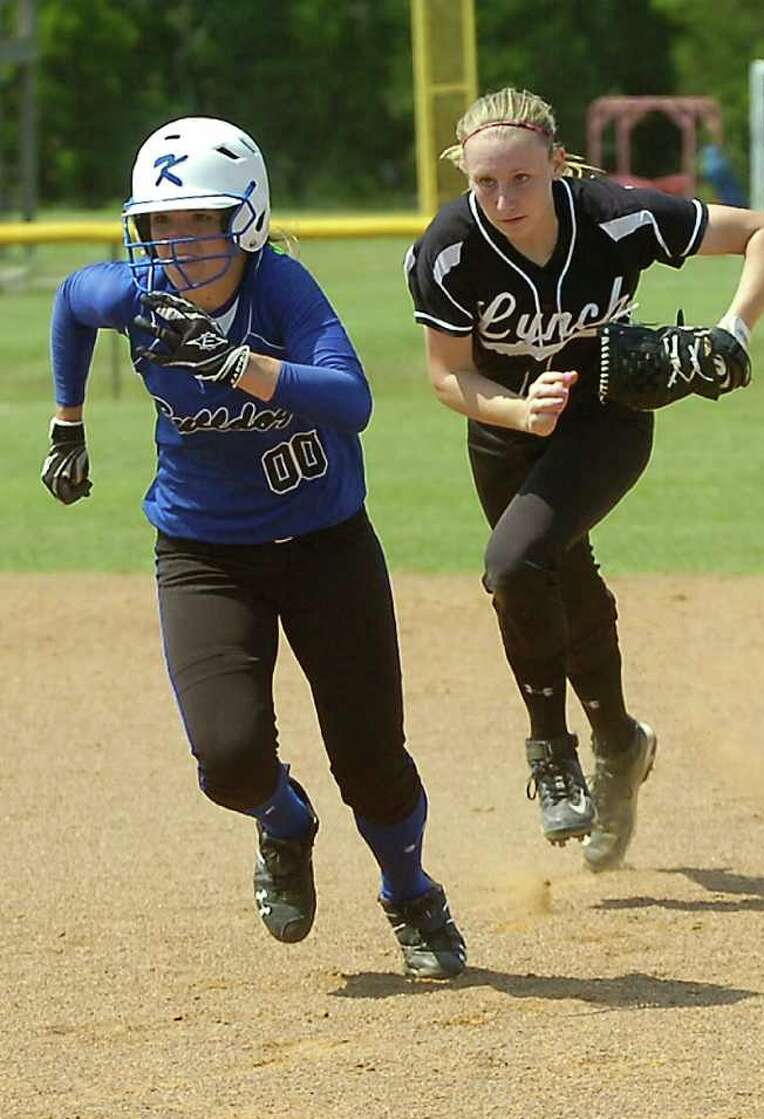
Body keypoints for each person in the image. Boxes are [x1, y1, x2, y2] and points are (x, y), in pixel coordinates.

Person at [42, 116, 466, 978]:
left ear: (247, 218)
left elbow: (351, 398)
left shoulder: (282, 291)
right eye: (162, 224)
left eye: (199, 220)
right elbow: (71, 303)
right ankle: (284, 820)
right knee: (229, 762)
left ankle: (410, 889)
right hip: (204, 552)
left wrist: (241, 363)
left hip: (326, 545)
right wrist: (68, 420)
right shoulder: (136, 292)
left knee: (372, 759)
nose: (176, 242)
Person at [406, 88, 764, 870]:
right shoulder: (449, 249)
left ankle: (551, 752)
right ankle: (620, 742)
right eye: (485, 183)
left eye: (520, 177)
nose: (503, 198)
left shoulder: (617, 215)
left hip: (608, 416)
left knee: (514, 562)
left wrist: (732, 331)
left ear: (557, 162)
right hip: (506, 430)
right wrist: (519, 411)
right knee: (555, 574)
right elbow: (447, 376)